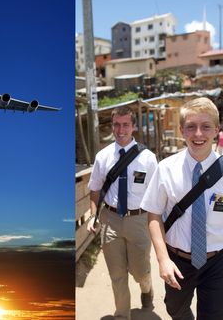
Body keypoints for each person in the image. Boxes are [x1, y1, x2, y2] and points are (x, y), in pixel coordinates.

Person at [141, 97, 223, 320]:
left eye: (206, 126)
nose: (198, 134)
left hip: (216, 262)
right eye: (191, 127)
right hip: (177, 261)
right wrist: (162, 259)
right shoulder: (166, 168)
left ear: (216, 130)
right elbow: (154, 213)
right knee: (175, 310)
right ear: (181, 130)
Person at [87, 106, 158, 319]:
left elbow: (156, 196)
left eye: (125, 124)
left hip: (139, 220)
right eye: (116, 124)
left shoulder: (148, 159)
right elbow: (95, 188)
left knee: (140, 271)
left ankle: (147, 288)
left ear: (134, 126)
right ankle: (122, 315)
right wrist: (93, 215)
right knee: (117, 275)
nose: (120, 129)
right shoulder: (103, 156)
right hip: (110, 220)